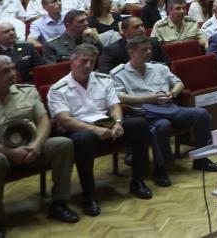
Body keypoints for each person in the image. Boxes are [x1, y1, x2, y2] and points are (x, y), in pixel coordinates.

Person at [48, 44, 154, 215]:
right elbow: (64, 120)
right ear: (72, 62)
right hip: (78, 128)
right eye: (84, 61)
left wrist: (118, 122)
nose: (88, 65)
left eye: (92, 62)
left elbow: (114, 106)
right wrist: (94, 130)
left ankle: (138, 181)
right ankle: (89, 195)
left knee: (139, 125)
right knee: (85, 139)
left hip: (105, 123)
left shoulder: (103, 79)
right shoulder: (59, 88)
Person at [110, 36, 217, 186]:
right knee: (162, 125)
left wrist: (173, 93)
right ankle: (160, 169)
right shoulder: (118, 73)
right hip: (144, 114)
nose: (149, 52)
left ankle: (201, 159)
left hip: (169, 108)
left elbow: (179, 83)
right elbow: (118, 97)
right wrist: (146, 99)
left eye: (149, 49)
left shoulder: (159, 67)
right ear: (131, 52)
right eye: (144, 50)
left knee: (202, 114)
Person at [0, 55, 79, 230]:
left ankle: (59, 203)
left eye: (13, 69)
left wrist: (38, 145)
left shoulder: (27, 91)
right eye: (5, 71)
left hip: (32, 148)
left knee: (63, 144)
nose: (12, 74)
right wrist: (10, 152)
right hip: (2, 153)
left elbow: (44, 120)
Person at [98, 16, 169, 73]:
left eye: (142, 25)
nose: (141, 29)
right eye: (136, 27)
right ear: (125, 31)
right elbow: (105, 73)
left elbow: (166, 63)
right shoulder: (112, 50)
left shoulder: (154, 43)